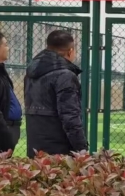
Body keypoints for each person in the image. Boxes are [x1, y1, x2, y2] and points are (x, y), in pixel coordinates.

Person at [24, 30, 87, 158]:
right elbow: (70, 116)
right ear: (70, 51)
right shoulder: (65, 76)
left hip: (35, 146)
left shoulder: (30, 74)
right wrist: (81, 148)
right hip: (59, 150)